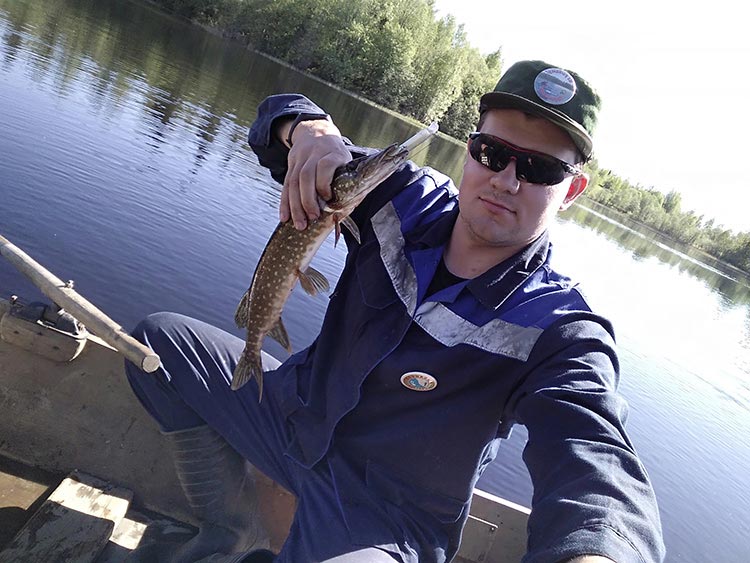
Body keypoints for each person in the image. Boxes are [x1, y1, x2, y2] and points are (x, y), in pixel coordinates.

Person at [125, 60, 665, 563]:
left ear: (571, 189)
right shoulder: (400, 199)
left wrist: (601, 550)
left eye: (540, 168)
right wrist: (305, 128)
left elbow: (594, 459)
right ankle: (228, 531)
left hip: (382, 514)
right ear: (470, 151)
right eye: (492, 153)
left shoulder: (560, 328)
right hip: (294, 418)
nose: (506, 180)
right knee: (155, 346)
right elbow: (278, 130)